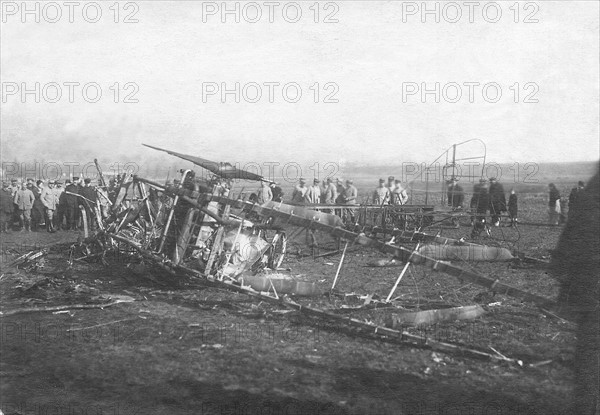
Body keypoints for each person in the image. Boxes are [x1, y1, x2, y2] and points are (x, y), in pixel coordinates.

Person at [551, 169, 599, 415]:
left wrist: (560, 264)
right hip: (591, 284)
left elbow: (578, 227)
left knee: (591, 350)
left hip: (590, 285)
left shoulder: (593, 191)